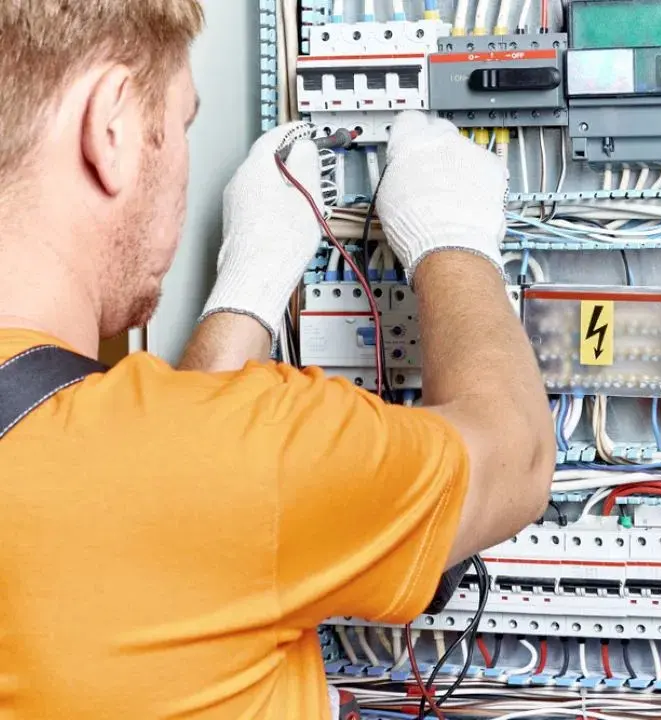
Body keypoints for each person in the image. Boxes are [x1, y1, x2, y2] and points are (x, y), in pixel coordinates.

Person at [0, 2, 554, 718]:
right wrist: (454, 238)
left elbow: (172, 511)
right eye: (183, 123)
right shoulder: (232, 455)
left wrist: (249, 290)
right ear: (110, 128)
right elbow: (518, 454)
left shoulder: (149, 462)